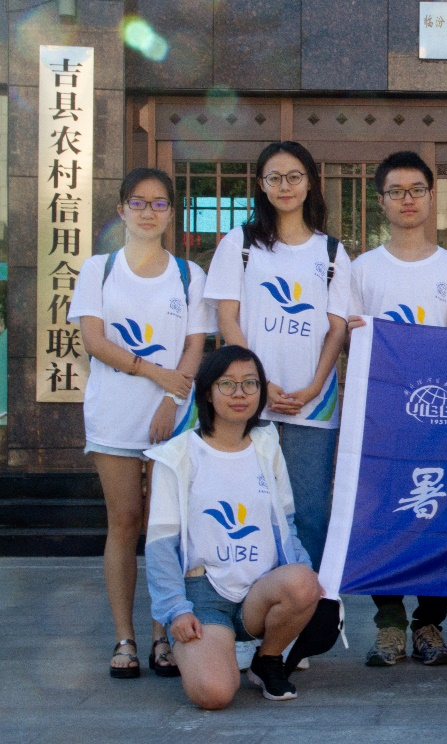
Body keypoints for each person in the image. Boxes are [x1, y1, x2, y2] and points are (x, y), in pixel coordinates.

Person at [68, 167, 215, 679]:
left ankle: (161, 635)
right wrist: (156, 374)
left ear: (171, 213)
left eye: (158, 203)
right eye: (138, 202)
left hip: (172, 418)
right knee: (125, 522)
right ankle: (124, 638)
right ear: (121, 210)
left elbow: (195, 346)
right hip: (114, 415)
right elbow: (94, 341)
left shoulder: (188, 275)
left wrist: (172, 400)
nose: (148, 212)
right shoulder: (99, 269)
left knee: (164, 527)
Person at [145, 345, 321, 708]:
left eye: (250, 383)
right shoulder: (176, 456)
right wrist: (176, 609)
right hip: (203, 595)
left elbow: (286, 525)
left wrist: (310, 594)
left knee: (305, 580)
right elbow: (161, 545)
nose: (239, 394)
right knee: (214, 694)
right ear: (208, 392)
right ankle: (213, 647)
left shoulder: (267, 446)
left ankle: (267, 659)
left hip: (259, 591)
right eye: (227, 384)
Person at [204, 140, 351, 574]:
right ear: (261, 185)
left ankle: (308, 600)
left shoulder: (331, 251)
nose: (284, 186)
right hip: (250, 399)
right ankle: (252, 600)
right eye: (274, 178)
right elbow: (227, 318)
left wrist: (313, 387)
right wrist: (258, 383)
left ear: (310, 184)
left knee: (310, 511)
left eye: (294, 177)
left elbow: (337, 328)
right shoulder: (240, 243)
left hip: (313, 402)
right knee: (251, 505)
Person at [348, 151, 447, 667]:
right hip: (382, 418)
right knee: (385, 517)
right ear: (381, 201)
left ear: (431, 196)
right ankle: (390, 623)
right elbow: (348, 341)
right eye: (396, 191)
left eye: (417, 190)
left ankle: (430, 623)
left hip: (441, 419)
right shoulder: (361, 269)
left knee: (437, 517)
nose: (407, 200)